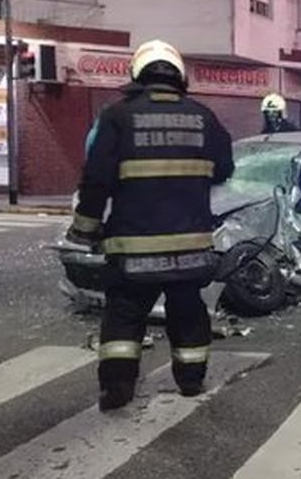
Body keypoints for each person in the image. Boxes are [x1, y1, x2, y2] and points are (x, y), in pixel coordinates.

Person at [67, 40, 235, 411]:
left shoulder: (117, 117)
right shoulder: (204, 117)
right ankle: (191, 381)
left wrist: (85, 229)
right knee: (188, 313)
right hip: (190, 251)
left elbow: (95, 180)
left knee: (124, 318)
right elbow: (224, 169)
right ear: (179, 75)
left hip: (133, 250)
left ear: (137, 74)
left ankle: (118, 388)